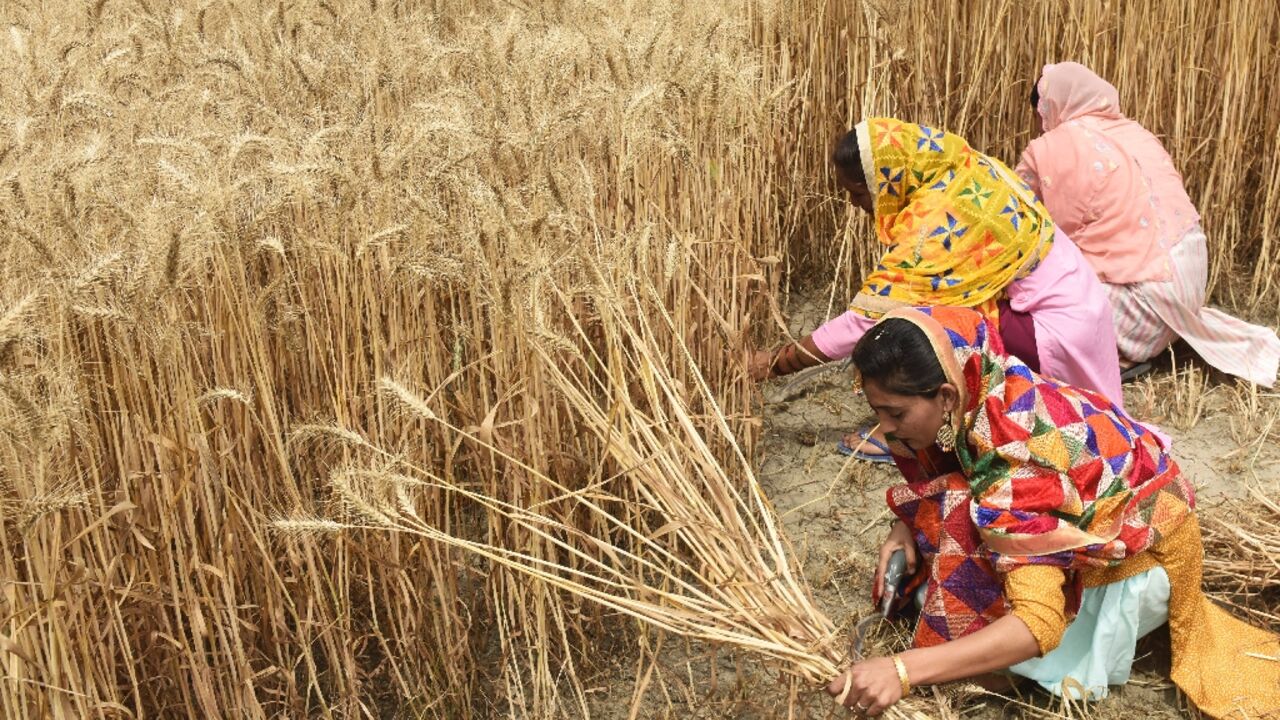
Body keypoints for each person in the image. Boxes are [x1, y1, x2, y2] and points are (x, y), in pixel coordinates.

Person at [823, 305, 1279, 717]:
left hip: (1144, 567)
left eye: (895, 414)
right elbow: (956, 478)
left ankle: (1032, 666)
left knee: (960, 609)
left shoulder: (1015, 461)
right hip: (1117, 523)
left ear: (945, 396)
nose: (883, 429)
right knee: (959, 515)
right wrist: (903, 527)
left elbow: (1038, 624)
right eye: (876, 411)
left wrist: (903, 670)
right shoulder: (986, 384)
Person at [750, 118, 1123, 462]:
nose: (854, 205)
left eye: (859, 193)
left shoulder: (939, 216)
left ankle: (905, 431)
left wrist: (775, 363)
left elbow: (864, 323)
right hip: (1082, 310)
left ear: (888, 181)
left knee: (919, 323)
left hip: (1055, 331)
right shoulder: (964, 168)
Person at [1017, 61, 1280, 387]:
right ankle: (1139, 347)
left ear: (1052, 106)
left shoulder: (1048, 149)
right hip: (1189, 287)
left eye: (1041, 114)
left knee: (1029, 291)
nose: (1043, 126)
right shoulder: (1136, 132)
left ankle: (1116, 354)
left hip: (1144, 304)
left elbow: (1021, 217)